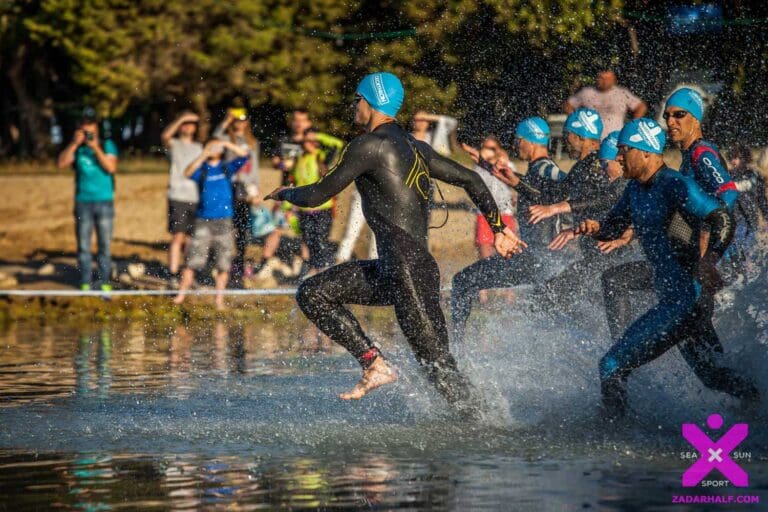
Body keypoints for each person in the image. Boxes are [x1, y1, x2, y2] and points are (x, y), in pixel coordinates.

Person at [266, 71, 524, 411]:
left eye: (356, 101)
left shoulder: (367, 146)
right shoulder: (414, 146)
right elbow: (471, 178)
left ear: (370, 102)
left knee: (443, 376)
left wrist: (286, 192)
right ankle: (374, 363)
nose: (353, 108)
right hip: (397, 270)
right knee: (314, 293)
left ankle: (490, 433)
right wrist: (499, 228)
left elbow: (316, 195)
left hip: (408, 273)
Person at [570, 118, 759, 418]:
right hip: (675, 301)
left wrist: (709, 260)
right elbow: (612, 227)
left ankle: (615, 443)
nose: (618, 157)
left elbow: (722, 217)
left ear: (645, 151)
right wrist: (594, 228)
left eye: (623, 149)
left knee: (611, 365)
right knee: (713, 376)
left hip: (686, 301)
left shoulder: (675, 184)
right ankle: (760, 403)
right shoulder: (634, 189)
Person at [601, 88, 741, 340]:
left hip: (712, 260)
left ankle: (625, 351)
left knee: (618, 281)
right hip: (699, 261)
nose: (670, 121)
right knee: (706, 358)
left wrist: (708, 252)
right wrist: (632, 232)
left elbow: (728, 194)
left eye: (680, 114)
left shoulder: (701, 153)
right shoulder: (688, 158)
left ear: (696, 119)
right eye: (667, 116)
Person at [451, 120, 566, 336]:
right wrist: (485, 166)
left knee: (462, 281)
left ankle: (454, 350)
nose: (516, 146)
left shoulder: (548, 169)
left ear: (528, 141)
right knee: (543, 324)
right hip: (538, 258)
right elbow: (523, 183)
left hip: (540, 259)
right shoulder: (537, 170)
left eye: (517, 141)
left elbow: (567, 189)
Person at [174, 140, 249, 310]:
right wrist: (204, 154)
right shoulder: (202, 169)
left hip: (224, 220)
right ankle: (181, 295)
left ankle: (219, 299)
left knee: (223, 262)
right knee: (193, 259)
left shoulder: (226, 167)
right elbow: (187, 173)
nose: (215, 149)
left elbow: (245, 155)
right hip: (203, 221)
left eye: (217, 147)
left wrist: (226, 143)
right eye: (211, 146)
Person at [57, 107, 118, 291]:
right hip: (83, 202)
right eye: (84, 126)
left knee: (104, 246)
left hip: (105, 201)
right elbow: (60, 163)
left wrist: (95, 147)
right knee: (84, 245)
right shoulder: (77, 148)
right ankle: (85, 281)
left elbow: (110, 168)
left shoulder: (107, 145)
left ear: (96, 127)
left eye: (90, 125)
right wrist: (75, 144)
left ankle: (104, 282)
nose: (87, 130)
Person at [460, 136, 517, 304]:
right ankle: (483, 294)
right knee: (484, 253)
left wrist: (497, 155)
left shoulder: (507, 165)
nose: (487, 150)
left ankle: (509, 294)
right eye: (485, 147)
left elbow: (513, 180)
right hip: (484, 214)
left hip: (505, 212)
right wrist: (483, 159)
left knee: (509, 254)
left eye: (492, 148)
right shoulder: (478, 168)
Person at [213, 106, 260, 286]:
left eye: (242, 120)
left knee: (242, 230)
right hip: (228, 187)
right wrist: (225, 122)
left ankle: (239, 265)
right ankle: (222, 264)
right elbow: (214, 141)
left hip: (246, 188)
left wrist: (255, 189)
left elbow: (254, 167)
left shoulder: (252, 142)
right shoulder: (226, 139)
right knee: (226, 227)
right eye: (236, 121)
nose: (239, 124)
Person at [292, 127, 344, 277]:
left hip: (323, 208)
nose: (307, 143)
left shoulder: (321, 157)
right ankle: (316, 270)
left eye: (311, 140)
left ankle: (324, 272)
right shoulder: (299, 158)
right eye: (305, 140)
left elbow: (338, 145)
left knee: (321, 241)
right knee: (310, 242)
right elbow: (295, 182)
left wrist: (319, 135)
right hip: (304, 209)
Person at [161, 111, 203, 282]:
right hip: (177, 196)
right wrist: (181, 118)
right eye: (185, 124)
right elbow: (165, 135)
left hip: (196, 197)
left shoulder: (199, 147)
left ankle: (187, 274)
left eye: (191, 123)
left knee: (192, 239)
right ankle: (172, 273)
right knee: (178, 236)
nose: (187, 126)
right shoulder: (174, 144)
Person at [722, 143, 768, 281]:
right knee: (736, 249)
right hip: (735, 220)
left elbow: (761, 199)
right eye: (731, 158)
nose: (733, 161)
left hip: (751, 220)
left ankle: (747, 276)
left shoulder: (754, 175)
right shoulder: (727, 176)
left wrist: (766, 216)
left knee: (749, 250)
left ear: (745, 158)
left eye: (737, 158)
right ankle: (736, 275)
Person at [565, 68, 647, 138]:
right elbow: (568, 104)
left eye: (607, 79)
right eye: (602, 78)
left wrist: (632, 126)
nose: (604, 82)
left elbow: (641, 106)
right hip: (589, 138)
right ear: (597, 78)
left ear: (614, 80)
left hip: (614, 139)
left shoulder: (621, 93)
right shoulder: (587, 92)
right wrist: (576, 122)